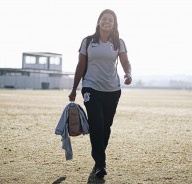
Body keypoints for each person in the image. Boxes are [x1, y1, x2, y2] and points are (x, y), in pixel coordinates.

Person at [68, 9, 132, 178]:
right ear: (98, 21)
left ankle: (98, 154)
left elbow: (125, 62)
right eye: (104, 19)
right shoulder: (88, 41)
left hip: (112, 90)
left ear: (114, 24)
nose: (107, 22)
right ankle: (100, 163)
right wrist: (74, 88)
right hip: (91, 88)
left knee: (106, 127)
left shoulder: (119, 42)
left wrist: (128, 73)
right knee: (96, 124)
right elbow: (80, 65)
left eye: (111, 20)